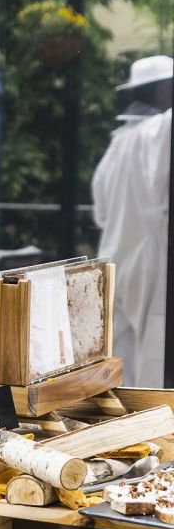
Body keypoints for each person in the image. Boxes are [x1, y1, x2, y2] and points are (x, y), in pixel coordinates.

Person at [92, 55, 173, 387]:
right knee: (151, 345)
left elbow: (101, 210)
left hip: (114, 255)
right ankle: (153, 430)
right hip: (149, 254)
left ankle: (118, 424)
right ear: (163, 90)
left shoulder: (119, 139)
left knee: (120, 347)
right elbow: (160, 185)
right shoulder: (157, 131)